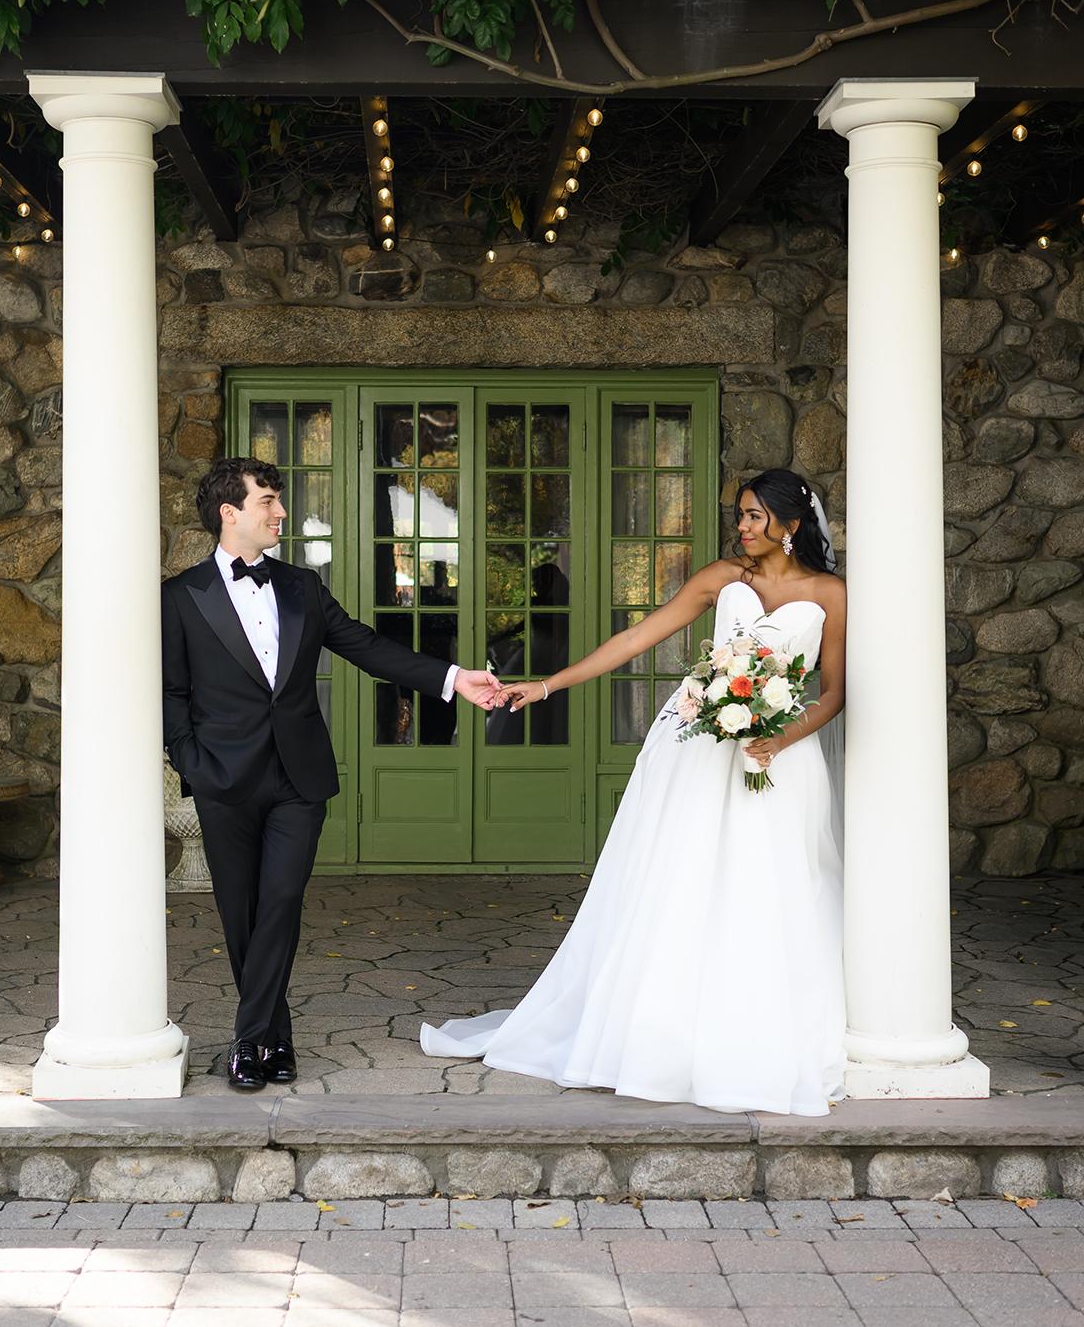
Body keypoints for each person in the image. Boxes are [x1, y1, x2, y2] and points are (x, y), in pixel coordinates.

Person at [422, 468, 848, 1115]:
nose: (742, 526)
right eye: (740, 514)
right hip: (699, 747)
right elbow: (633, 639)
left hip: (780, 755)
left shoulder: (830, 594)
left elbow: (835, 692)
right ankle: (662, 1032)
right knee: (683, 881)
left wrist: (779, 739)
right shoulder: (721, 578)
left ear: (791, 525)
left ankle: (756, 1032)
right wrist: (544, 686)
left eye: (756, 516)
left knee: (774, 884)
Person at [162, 456, 501, 1092]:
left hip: (299, 777)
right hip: (223, 779)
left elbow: (366, 646)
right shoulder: (180, 597)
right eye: (268, 501)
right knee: (242, 913)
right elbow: (170, 693)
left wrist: (454, 679)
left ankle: (246, 1041)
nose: (280, 513)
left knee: (281, 903)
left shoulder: (301, 587)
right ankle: (275, 1038)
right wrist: (192, 762)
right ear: (229, 512)